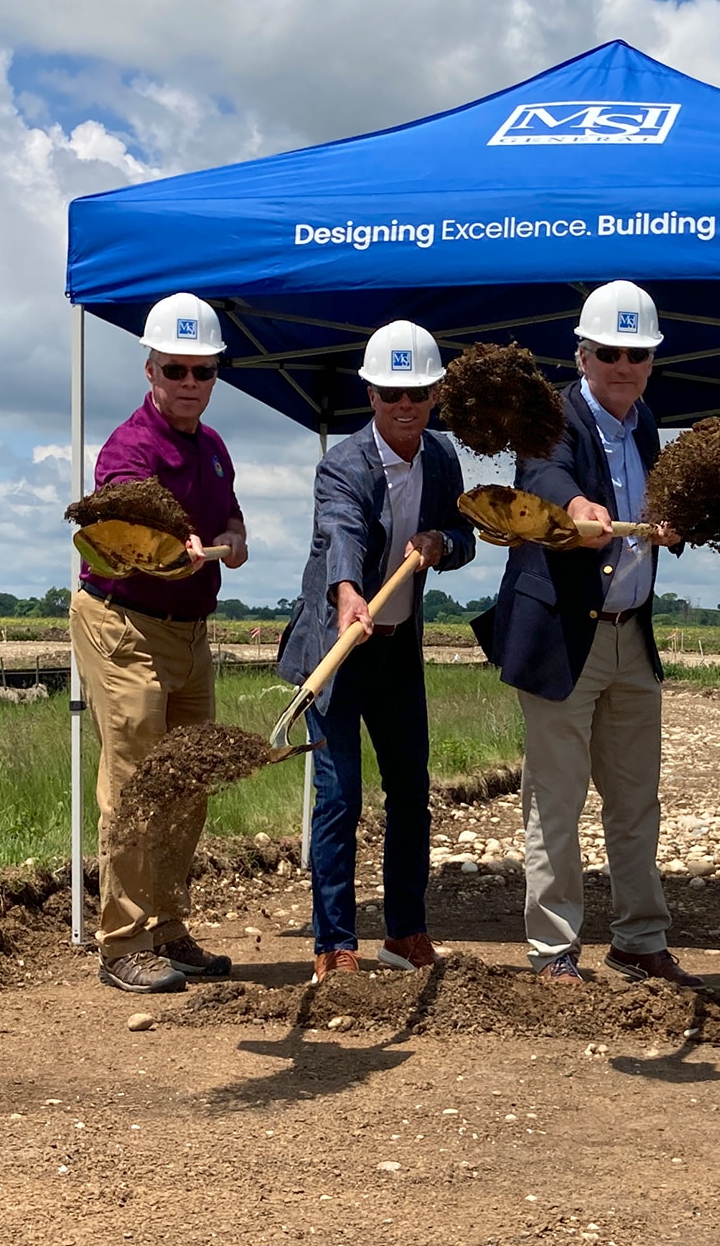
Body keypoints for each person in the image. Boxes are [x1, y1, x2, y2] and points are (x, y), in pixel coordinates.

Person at [473, 281, 703, 988]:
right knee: (556, 799)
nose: (624, 366)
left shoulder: (645, 423)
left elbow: (651, 512)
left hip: (632, 636)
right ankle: (553, 953)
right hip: (563, 640)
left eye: (639, 354)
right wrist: (575, 505)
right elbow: (544, 475)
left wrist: (673, 519)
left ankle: (640, 939)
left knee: (636, 799)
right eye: (611, 352)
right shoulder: (552, 417)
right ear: (582, 353)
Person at [278, 321, 475, 983]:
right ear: (369, 393)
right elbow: (341, 528)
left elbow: (466, 532)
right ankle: (333, 944)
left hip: (396, 649)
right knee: (339, 798)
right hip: (338, 648)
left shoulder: (443, 458)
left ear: (435, 394)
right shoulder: (344, 464)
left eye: (417, 392)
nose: (404, 404)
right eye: (391, 392)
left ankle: (406, 933)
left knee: (410, 792)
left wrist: (443, 544)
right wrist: (347, 594)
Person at [72, 292, 251, 995]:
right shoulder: (129, 449)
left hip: (189, 629)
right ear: (150, 370)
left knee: (188, 781)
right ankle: (122, 943)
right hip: (125, 624)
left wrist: (232, 540)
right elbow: (121, 524)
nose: (188, 384)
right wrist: (160, 542)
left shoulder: (212, 448)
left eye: (201, 371)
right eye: (175, 369)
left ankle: (169, 927)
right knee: (136, 781)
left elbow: (229, 514)